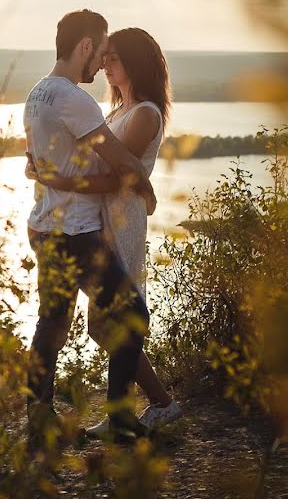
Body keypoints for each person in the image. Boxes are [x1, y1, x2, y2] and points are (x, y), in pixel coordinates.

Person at [27, 28, 182, 436]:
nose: (105, 65)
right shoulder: (112, 109)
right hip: (96, 218)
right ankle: (150, 406)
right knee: (106, 323)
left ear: (135, 64)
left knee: (118, 320)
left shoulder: (145, 112)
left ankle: (146, 409)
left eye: (113, 59)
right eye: (104, 56)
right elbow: (86, 159)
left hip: (119, 220)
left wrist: (60, 182)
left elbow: (115, 177)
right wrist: (45, 166)